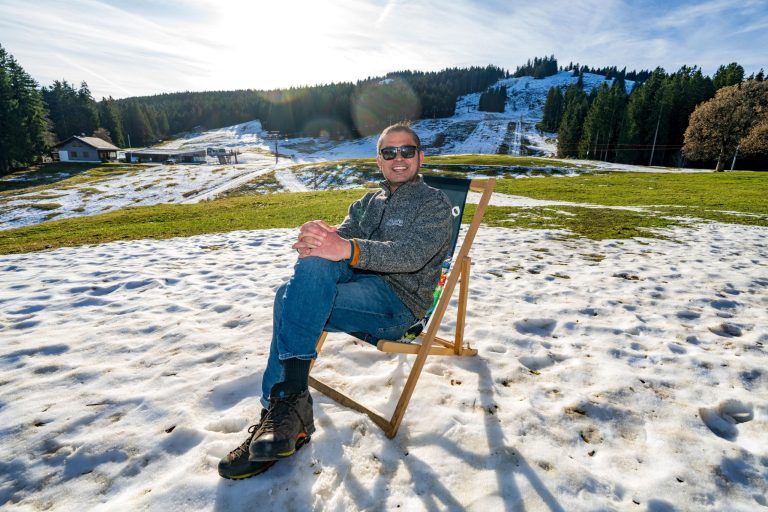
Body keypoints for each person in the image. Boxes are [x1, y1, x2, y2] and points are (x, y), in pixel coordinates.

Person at [218, 123, 453, 479]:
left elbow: (411, 256)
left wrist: (347, 248)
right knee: (312, 264)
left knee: (288, 297)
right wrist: (320, 237)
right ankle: (288, 410)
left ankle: (282, 411)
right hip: (356, 285)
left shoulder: (435, 204)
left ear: (421, 156)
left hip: (396, 303)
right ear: (379, 159)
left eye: (407, 151)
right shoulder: (367, 203)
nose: (399, 159)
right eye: (389, 152)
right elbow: (342, 236)